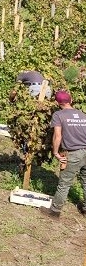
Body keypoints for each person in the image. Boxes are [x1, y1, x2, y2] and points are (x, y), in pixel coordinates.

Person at [41, 90, 86, 219]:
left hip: (73, 154)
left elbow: (58, 136)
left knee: (64, 183)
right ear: (71, 100)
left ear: (57, 103)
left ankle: (54, 211)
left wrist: (55, 152)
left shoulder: (59, 115)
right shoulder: (82, 114)